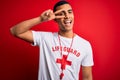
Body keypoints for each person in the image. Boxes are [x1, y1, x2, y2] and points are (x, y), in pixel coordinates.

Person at [10, 1, 94, 80]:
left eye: (69, 12)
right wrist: (41, 19)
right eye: (61, 14)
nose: (67, 16)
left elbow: (87, 77)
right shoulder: (45, 38)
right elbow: (15, 31)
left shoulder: (85, 45)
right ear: (55, 19)